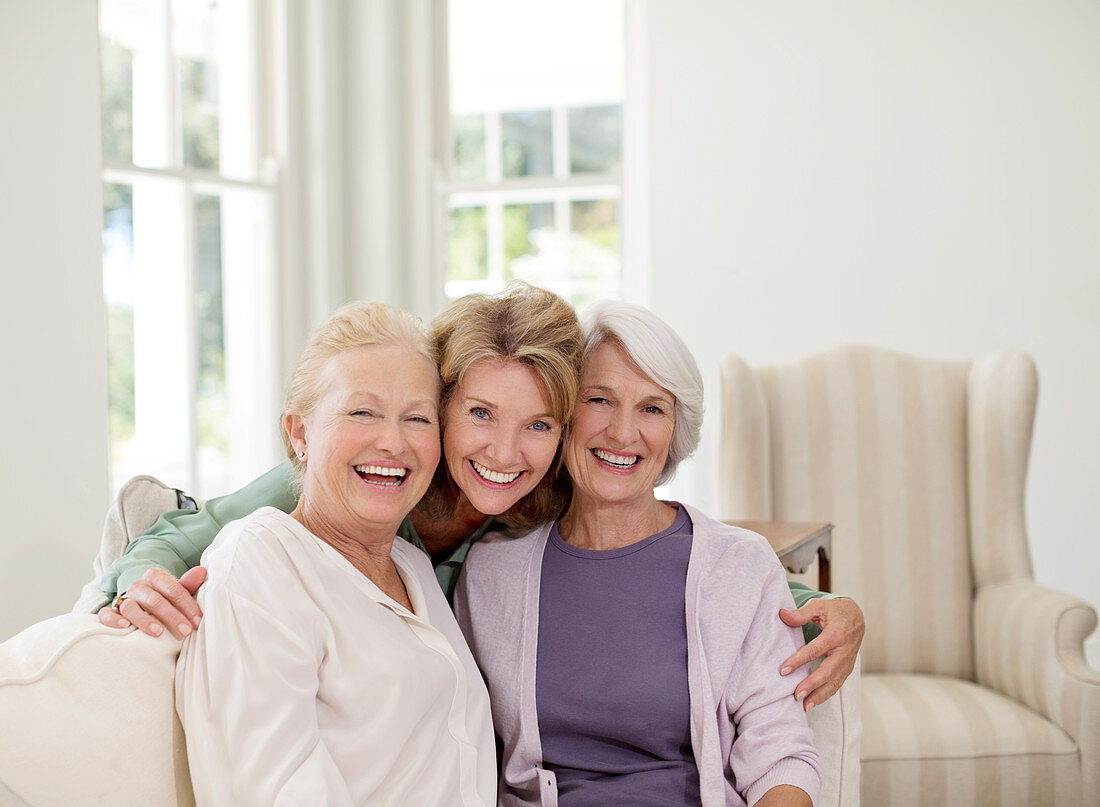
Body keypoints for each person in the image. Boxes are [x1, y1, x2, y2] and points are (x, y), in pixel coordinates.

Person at [97, 285, 863, 710]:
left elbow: (668, 556)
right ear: (442, 403)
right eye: (479, 416)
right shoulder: (363, 476)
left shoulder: (552, 492)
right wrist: (137, 579)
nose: (504, 454)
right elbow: (186, 533)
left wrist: (812, 598)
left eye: (538, 424)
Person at [455, 300, 821, 807]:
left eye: (652, 408)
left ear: (675, 431)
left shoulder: (738, 566)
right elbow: (461, 746)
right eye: (600, 400)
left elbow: (781, 755)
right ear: (562, 415)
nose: (623, 433)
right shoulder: (492, 572)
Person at [175, 301, 495, 805]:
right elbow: (275, 786)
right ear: (299, 432)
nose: (393, 441)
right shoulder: (260, 558)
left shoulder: (410, 566)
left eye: (417, 418)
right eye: (362, 412)